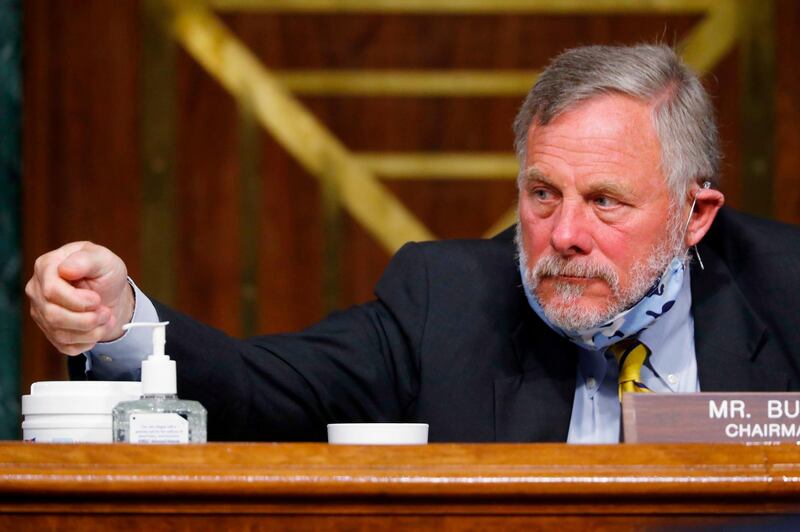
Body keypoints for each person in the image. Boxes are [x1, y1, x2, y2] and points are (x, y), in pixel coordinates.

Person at [26, 44, 800, 443]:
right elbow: (260, 388)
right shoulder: (449, 300)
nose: (564, 235)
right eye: (541, 194)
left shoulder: (786, 290)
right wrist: (119, 319)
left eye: (605, 202)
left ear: (695, 215)